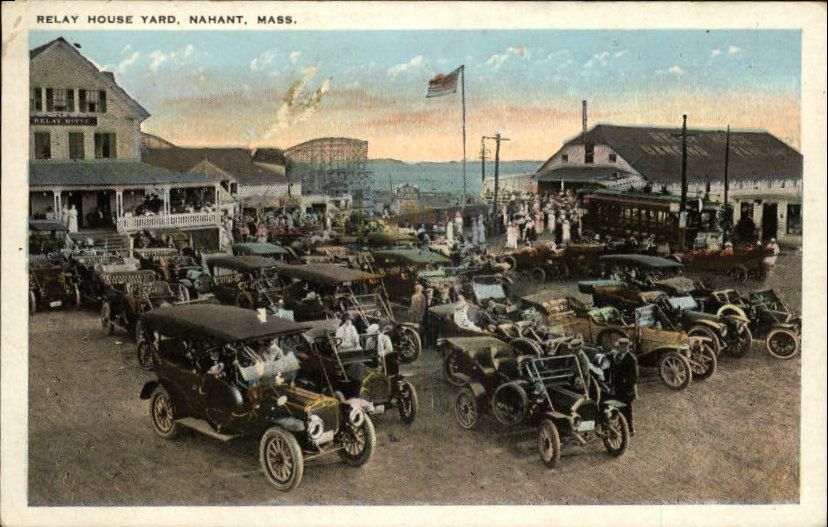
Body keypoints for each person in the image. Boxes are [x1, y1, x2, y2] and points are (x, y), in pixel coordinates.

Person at [608, 338, 638, 435]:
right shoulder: (617, 356)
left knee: (627, 411)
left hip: (627, 390)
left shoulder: (631, 359)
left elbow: (635, 377)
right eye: (621, 346)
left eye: (624, 347)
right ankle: (623, 428)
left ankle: (631, 429)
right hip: (618, 388)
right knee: (619, 409)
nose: (622, 348)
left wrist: (626, 385)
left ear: (628, 347)